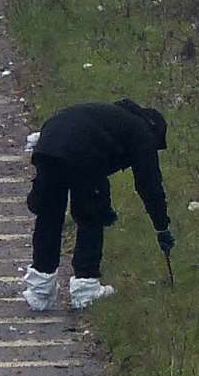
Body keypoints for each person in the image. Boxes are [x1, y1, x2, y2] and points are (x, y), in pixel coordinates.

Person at [22, 100, 173, 310]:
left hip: (49, 145)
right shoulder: (143, 134)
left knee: (49, 215)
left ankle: (40, 290)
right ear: (156, 132)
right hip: (84, 153)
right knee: (91, 215)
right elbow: (150, 186)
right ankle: (86, 288)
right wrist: (162, 226)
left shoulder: (111, 116)